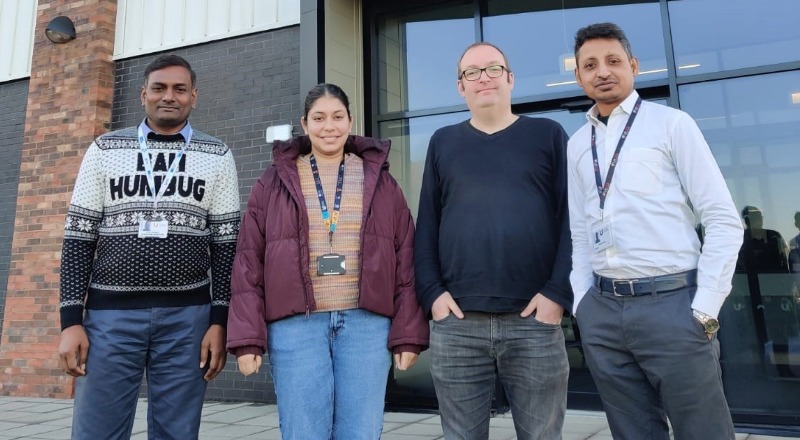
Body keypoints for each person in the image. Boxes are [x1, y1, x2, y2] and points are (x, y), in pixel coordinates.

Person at [567, 23, 743, 440]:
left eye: (612, 61)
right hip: (604, 311)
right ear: (578, 76)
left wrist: (705, 309)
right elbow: (578, 232)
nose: (602, 71)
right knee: (633, 433)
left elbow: (722, 217)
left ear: (633, 65)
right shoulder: (576, 144)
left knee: (704, 432)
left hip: (673, 305)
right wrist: (582, 304)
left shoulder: (671, 124)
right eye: (589, 65)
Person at [226, 83, 429, 439]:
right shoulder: (272, 182)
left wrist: (408, 335)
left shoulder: (381, 180)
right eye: (319, 118)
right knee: (304, 432)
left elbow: (406, 259)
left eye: (337, 117)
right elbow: (248, 260)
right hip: (296, 328)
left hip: (366, 326)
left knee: (361, 433)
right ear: (305, 124)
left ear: (350, 121)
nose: (329, 126)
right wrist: (247, 339)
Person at [57, 54, 241, 440]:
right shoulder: (105, 149)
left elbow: (227, 248)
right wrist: (71, 321)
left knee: (177, 432)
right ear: (143, 95)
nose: (168, 96)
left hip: (187, 320)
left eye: (179, 89)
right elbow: (78, 237)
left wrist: (219, 322)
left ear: (194, 95)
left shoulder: (218, 155)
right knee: (96, 431)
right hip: (109, 319)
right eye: (159, 88)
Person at [414, 42, 573, 440]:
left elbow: (574, 221)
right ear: (460, 87)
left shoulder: (548, 135)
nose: (483, 77)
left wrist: (557, 293)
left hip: (534, 322)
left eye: (493, 68)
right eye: (472, 72)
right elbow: (427, 226)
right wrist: (433, 295)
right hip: (458, 325)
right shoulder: (442, 142)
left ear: (510, 78)